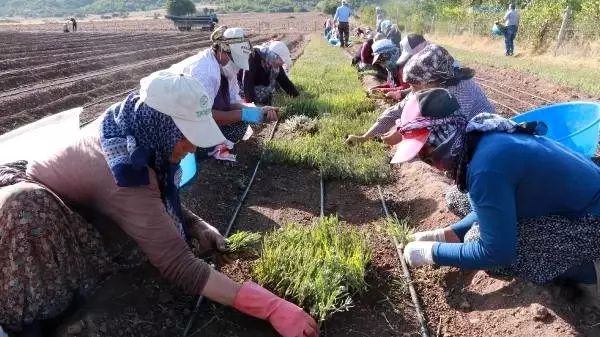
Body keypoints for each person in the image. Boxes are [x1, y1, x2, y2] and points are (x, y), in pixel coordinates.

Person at [0, 70, 319, 337]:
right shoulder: (123, 169)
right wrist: (269, 306)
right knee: (37, 215)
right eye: (186, 136)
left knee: (145, 243)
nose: (192, 147)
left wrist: (194, 223)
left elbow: (157, 199)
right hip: (35, 220)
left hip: (82, 208)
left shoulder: (134, 130)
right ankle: (37, 324)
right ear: (161, 127)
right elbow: (177, 264)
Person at [388, 88, 600, 303]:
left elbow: (496, 253)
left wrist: (431, 252)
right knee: (458, 197)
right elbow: (493, 198)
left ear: (446, 136)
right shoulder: (478, 135)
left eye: (426, 154)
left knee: (483, 245)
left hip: (592, 223)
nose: (428, 164)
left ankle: (587, 270)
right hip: (574, 202)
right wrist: (447, 234)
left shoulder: (486, 168)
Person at [345, 43, 495, 146]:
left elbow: (440, 127)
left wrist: (401, 134)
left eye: (415, 86)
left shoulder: (459, 92)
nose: (412, 91)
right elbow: (395, 111)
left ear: (433, 79)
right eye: (411, 86)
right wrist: (364, 138)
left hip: (485, 142)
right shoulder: (429, 87)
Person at [169, 26, 280, 162]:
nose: (237, 68)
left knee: (239, 125)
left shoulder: (227, 69)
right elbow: (203, 115)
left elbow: (232, 102)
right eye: (235, 61)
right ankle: (202, 153)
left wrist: (257, 109)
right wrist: (245, 114)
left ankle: (213, 147)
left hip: (199, 117)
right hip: (180, 122)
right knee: (234, 124)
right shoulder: (204, 72)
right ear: (222, 51)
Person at [242, 40, 299, 106]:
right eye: (280, 60)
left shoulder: (273, 62)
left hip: (261, 83)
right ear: (273, 55)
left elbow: (284, 81)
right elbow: (247, 82)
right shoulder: (253, 57)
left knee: (272, 87)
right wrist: (251, 105)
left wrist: (296, 95)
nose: (281, 63)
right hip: (245, 85)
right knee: (262, 96)